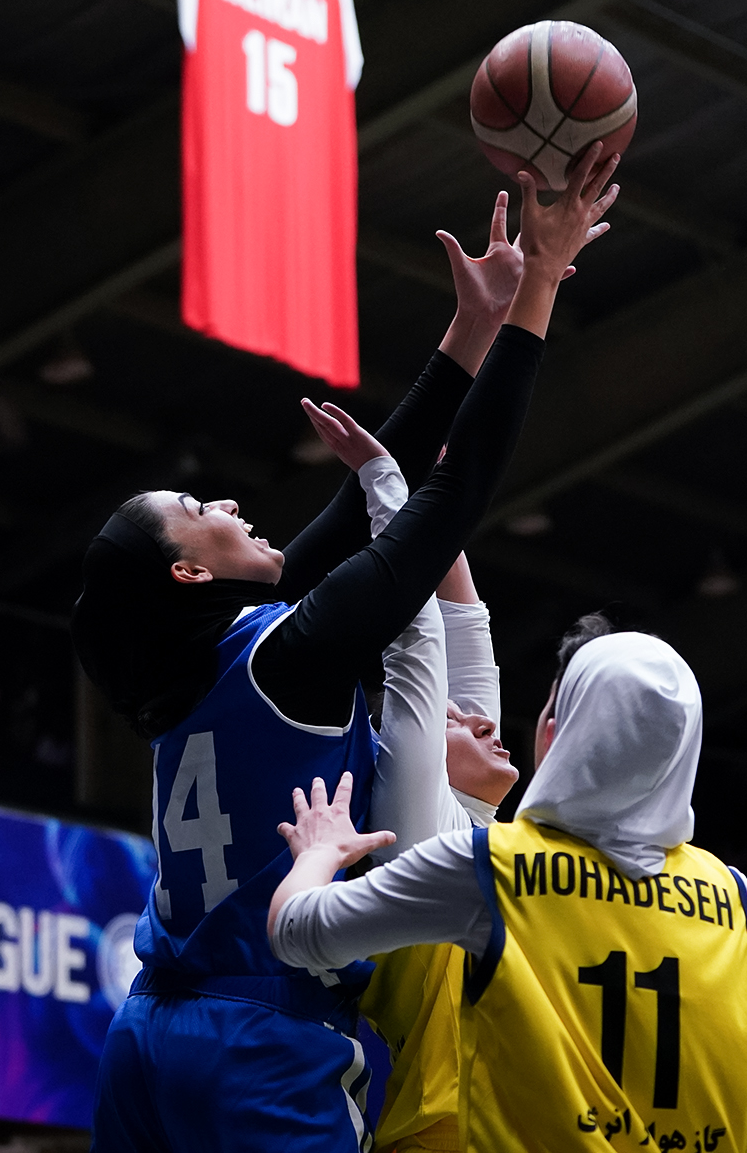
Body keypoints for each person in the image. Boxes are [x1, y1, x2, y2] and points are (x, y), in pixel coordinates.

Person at [75, 147, 620, 1153]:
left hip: (147, 1033)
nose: (227, 501)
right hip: (258, 1035)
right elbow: (447, 495)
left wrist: (471, 328)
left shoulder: (201, 670)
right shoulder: (287, 658)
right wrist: (541, 285)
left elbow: (362, 497)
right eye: (198, 507)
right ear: (186, 572)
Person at [267, 620, 747, 1152]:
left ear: (554, 735)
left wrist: (318, 855)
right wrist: (687, 1070)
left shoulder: (492, 867)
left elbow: (297, 933)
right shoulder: (740, 903)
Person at [317, 405, 516, 1152]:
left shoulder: (471, 826)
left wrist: (442, 493)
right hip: (441, 1130)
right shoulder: (414, 837)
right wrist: (387, 486)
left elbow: (467, 626)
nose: (485, 724)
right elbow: (421, 638)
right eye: (454, 722)